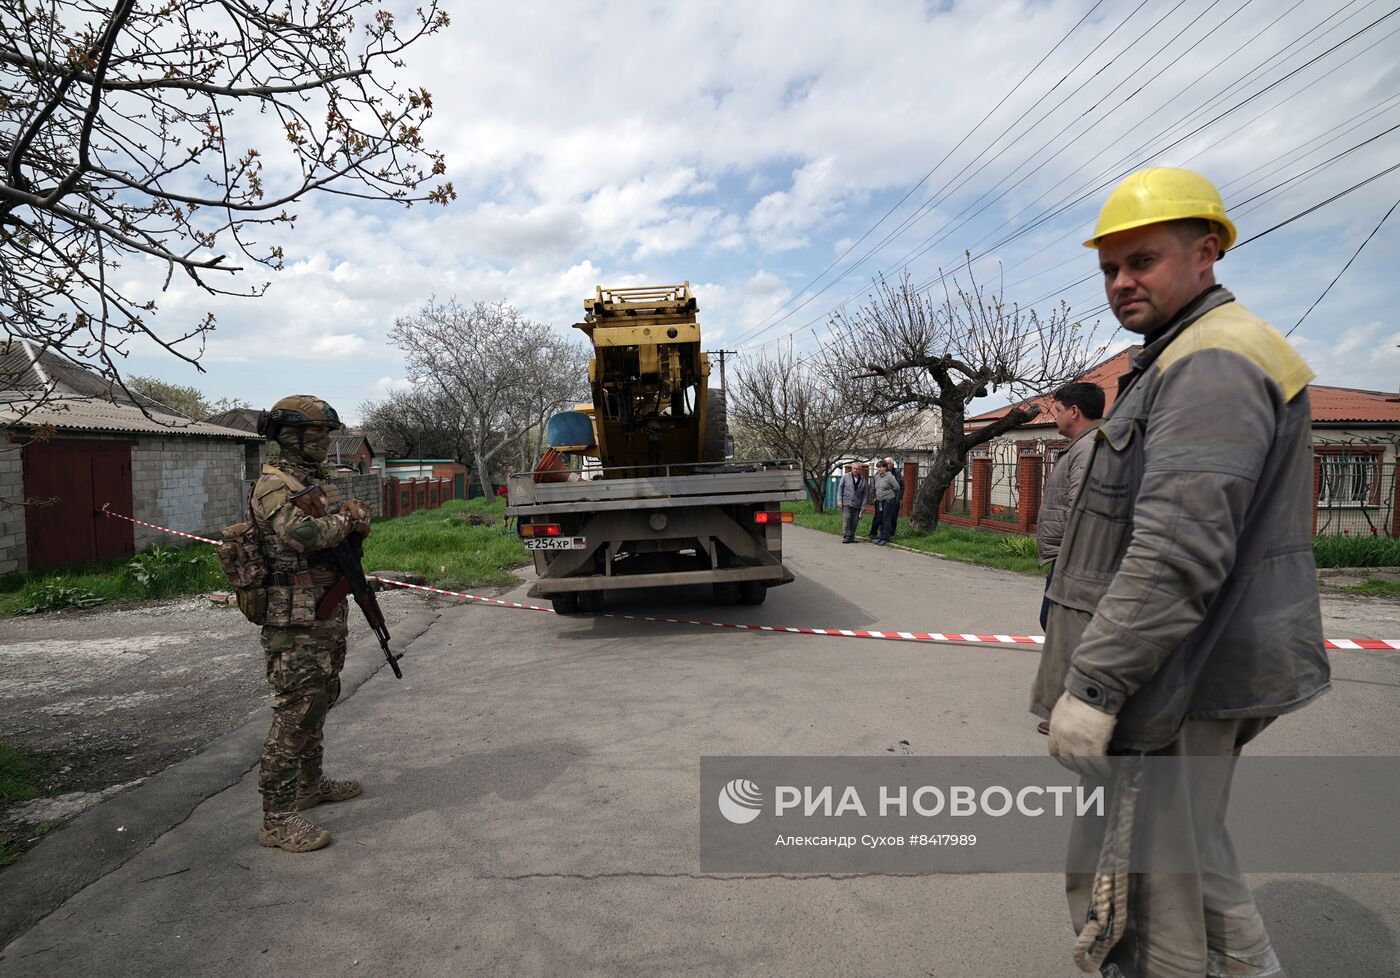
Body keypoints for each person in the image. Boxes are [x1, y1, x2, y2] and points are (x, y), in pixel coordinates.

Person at [1033, 167, 1328, 977]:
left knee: (1144, 890)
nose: (1121, 282)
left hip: (1179, 677)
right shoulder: (1184, 354)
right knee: (1191, 859)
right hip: (1185, 667)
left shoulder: (1212, 365)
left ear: (1207, 252)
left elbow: (1175, 550)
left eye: (1142, 261)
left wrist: (1093, 687)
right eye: (1109, 267)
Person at [251, 395, 373, 853]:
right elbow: (304, 535)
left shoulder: (317, 481)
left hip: (324, 607)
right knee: (298, 710)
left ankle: (310, 784)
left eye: (328, 435)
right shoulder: (274, 485)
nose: (325, 444)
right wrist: (350, 518)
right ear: (290, 437)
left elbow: (353, 526)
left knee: (322, 698)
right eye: (317, 436)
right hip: (294, 615)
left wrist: (351, 519)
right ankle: (276, 818)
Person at [1035, 383, 1105, 633]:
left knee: (1059, 625)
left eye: (1058, 410)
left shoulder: (1088, 448)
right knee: (1057, 625)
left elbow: (1084, 508)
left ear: (1074, 411)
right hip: (1071, 556)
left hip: (1074, 559)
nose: (1055, 416)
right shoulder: (1083, 445)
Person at [837, 462, 868, 544]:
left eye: (857, 469)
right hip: (846, 502)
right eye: (854, 468)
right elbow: (840, 488)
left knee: (855, 520)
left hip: (857, 503)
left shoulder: (863, 479)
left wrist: (864, 505)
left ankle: (852, 537)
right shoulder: (845, 477)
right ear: (851, 468)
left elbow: (865, 493)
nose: (855, 470)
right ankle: (846, 536)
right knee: (847, 518)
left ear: (860, 470)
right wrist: (839, 500)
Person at [872, 461, 899, 546]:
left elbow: (897, 487)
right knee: (880, 518)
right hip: (880, 501)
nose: (879, 469)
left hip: (888, 501)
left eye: (881, 467)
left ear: (885, 468)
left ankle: (885, 537)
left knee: (886, 519)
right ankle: (881, 536)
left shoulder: (889, 476)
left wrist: (889, 494)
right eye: (878, 467)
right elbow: (876, 488)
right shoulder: (877, 477)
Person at [882, 456, 903, 540]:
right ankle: (883, 532)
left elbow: (902, 485)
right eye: (885, 463)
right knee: (884, 517)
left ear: (892, 464)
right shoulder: (882, 472)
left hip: (895, 499)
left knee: (894, 517)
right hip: (885, 499)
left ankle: (891, 533)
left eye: (888, 463)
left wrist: (900, 497)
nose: (886, 465)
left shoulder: (897, 473)